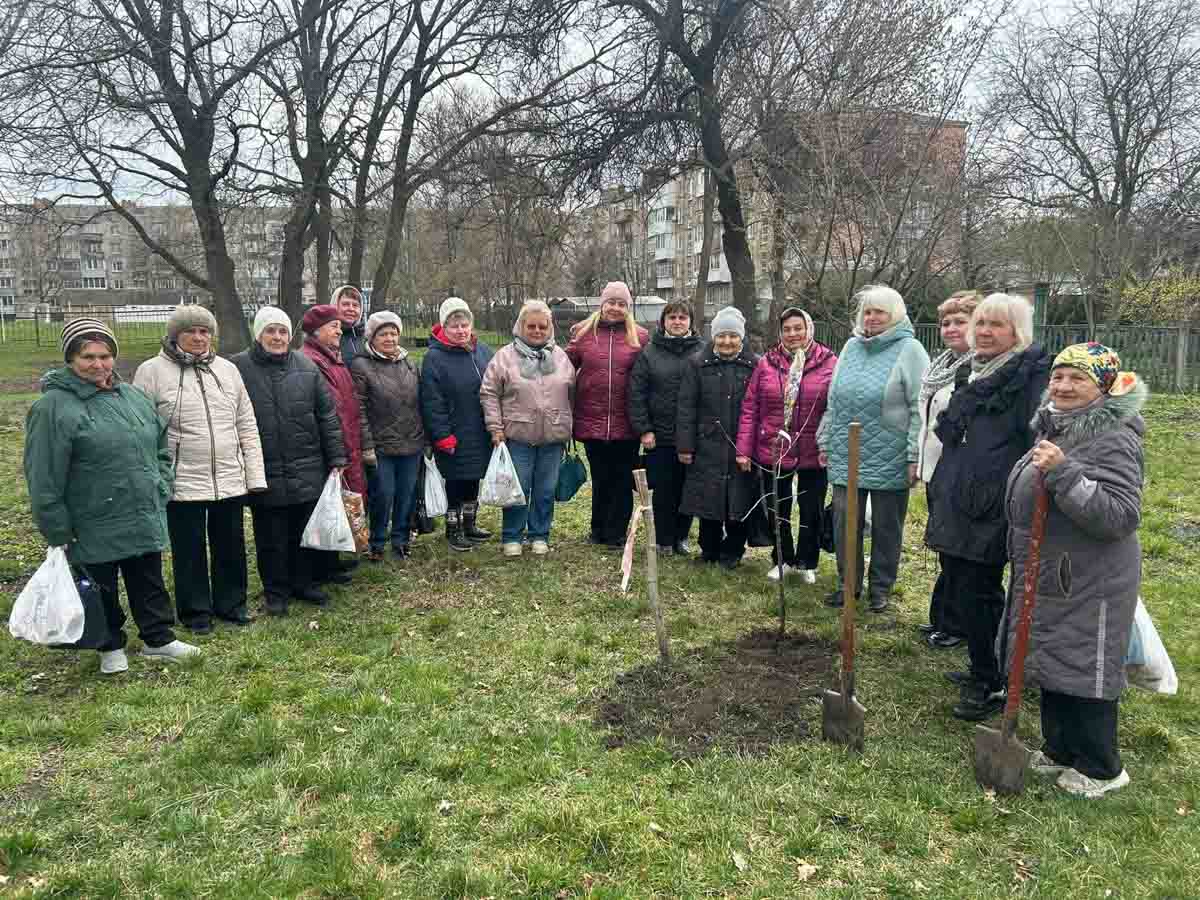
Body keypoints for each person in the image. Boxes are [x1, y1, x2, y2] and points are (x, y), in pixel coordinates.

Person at [1004, 343, 1145, 798]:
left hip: (1090, 576)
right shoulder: (1057, 425)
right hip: (1054, 569)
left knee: (1087, 665)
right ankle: (1062, 749)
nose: (1063, 386)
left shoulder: (1113, 435)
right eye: (1058, 377)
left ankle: (1103, 766)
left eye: (1076, 379)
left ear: (1102, 386)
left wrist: (1065, 475)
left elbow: (1120, 516)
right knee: (1053, 658)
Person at [24, 318, 200, 673]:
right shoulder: (52, 408)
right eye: (87, 356)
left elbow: (160, 446)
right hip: (91, 518)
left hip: (140, 509)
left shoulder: (133, 397)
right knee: (100, 584)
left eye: (105, 355)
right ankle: (109, 646)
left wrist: (160, 484)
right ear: (71, 359)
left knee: (148, 578)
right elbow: (42, 474)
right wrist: (55, 525)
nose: (98, 364)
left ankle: (158, 638)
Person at [923, 294, 1050, 720]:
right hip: (960, 496)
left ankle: (991, 680)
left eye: (996, 324)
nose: (985, 332)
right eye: (981, 324)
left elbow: (1035, 439)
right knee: (961, 585)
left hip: (993, 503)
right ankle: (982, 664)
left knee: (981, 592)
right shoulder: (974, 373)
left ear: (1017, 332)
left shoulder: (1027, 378)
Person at [133, 305, 266, 633]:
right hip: (182, 479)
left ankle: (231, 604)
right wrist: (157, 478)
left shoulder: (227, 370)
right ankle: (195, 612)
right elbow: (141, 429)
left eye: (204, 331)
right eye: (190, 331)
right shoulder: (151, 372)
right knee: (188, 550)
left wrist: (254, 474)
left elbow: (246, 422)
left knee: (230, 545)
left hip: (228, 477)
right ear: (175, 335)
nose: (197, 337)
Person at [817, 285, 929, 612]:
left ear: (894, 315)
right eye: (867, 311)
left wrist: (913, 456)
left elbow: (918, 409)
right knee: (844, 523)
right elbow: (834, 401)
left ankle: (880, 589)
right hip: (845, 451)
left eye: (880, 311)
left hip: (890, 454)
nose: (872, 317)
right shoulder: (851, 347)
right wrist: (826, 440)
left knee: (886, 526)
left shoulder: (910, 350)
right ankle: (847, 585)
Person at [233, 307, 347, 615]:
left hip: (307, 463)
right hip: (265, 467)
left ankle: (304, 582)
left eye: (282, 331)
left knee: (304, 530)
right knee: (271, 536)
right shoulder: (238, 367)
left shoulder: (306, 367)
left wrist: (336, 456)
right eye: (270, 331)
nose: (277, 337)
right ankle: (276, 592)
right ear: (259, 334)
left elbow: (327, 415)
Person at [736, 307, 836, 583]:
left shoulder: (829, 362)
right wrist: (743, 449)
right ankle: (783, 559)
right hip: (774, 447)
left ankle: (806, 561)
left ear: (809, 329)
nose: (793, 334)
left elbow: (837, 406)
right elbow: (750, 408)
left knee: (810, 507)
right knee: (778, 507)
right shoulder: (767, 363)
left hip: (815, 449)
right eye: (787, 329)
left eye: (798, 328)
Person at [480, 300, 576, 557]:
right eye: (530, 325)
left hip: (552, 438)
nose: (536, 330)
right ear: (520, 326)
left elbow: (572, 393)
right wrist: (495, 428)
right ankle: (512, 535)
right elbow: (489, 393)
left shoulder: (560, 357)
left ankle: (539, 534)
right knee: (517, 489)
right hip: (517, 437)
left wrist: (568, 425)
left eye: (542, 326)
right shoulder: (504, 357)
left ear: (550, 328)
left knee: (545, 490)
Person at [916, 290, 980, 649]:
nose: (952, 328)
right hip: (936, 469)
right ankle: (943, 615)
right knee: (945, 545)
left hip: (961, 473)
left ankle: (957, 623)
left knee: (959, 547)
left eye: (961, 321)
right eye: (946, 322)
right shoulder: (941, 366)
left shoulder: (977, 369)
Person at [566, 281, 648, 547]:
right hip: (591, 419)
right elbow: (563, 368)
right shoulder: (582, 334)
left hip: (627, 422)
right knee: (601, 478)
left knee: (623, 480)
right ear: (602, 304)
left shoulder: (641, 337)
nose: (615, 308)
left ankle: (615, 534)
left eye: (621, 304)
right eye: (611, 302)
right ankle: (597, 530)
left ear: (628, 308)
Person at [676, 307, 759, 569]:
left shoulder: (755, 364)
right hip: (706, 443)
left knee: (738, 499)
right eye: (721, 335)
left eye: (732, 336)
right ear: (714, 337)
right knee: (708, 499)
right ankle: (709, 549)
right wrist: (686, 445)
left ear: (741, 338)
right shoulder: (697, 363)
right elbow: (686, 406)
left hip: (741, 444)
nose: (726, 341)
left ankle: (733, 550)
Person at [420, 297, 495, 551]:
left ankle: (471, 523)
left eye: (464, 325)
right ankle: (454, 527)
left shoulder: (482, 351)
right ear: (444, 327)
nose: (461, 331)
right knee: (455, 480)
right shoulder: (434, 358)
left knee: (473, 478)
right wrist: (442, 435)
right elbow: (432, 401)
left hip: (479, 429)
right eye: (454, 326)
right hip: (454, 431)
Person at [628, 301, 703, 555]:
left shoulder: (703, 351)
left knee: (687, 489)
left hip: (692, 436)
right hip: (660, 436)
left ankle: (681, 536)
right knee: (663, 490)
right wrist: (644, 429)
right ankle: (663, 540)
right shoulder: (649, 352)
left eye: (683, 317)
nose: (678, 321)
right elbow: (636, 393)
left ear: (691, 321)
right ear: (663, 321)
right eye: (672, 317)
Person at [351, 311, 425, 561]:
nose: (390, 338)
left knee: (406, 494)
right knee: (383, 494)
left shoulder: (409, 363)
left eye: (393, 333)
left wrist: (424, 438)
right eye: (383, 334)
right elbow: (359, 409)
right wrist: (367, 445)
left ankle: (401, 540)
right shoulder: (362, 365)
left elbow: (420, 403)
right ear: (372, 337)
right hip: (381, 446)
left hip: (411, 443)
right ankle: (378, 541)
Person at [332, 284, 366, 365]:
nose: (351, 309)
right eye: (345, 304)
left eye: (355, 305)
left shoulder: (367, 338)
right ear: (335, 305)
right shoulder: (326, 337)